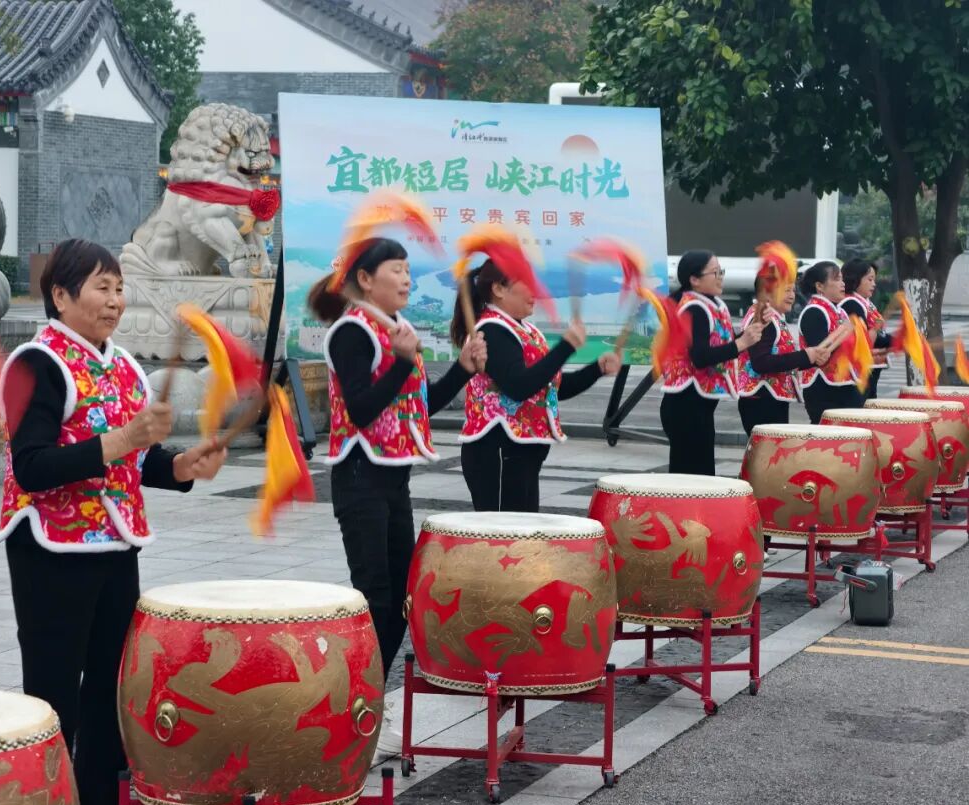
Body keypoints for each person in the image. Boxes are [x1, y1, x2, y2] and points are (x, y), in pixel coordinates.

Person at [0, 239, 227, 805]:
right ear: (60, 295)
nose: (115, 300)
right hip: (50, 549)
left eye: (120, 288)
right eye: (102, 287)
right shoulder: (36, 364)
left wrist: (181, 465)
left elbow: (137, 460)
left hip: (116, 547)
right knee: (53, 694)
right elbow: (31, 466)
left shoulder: (123, 366)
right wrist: (123, 439)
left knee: (112, 689)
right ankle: (47, 800)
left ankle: (99, 801)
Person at [308, 237, 486, 759]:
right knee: (375, 600)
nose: (407, 279)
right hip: (359, 479)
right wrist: (402, 362)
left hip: (393, 481)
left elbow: (418, 405)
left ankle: (365, 705)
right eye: (397, 270)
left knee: (400, 604)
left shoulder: (397, 329)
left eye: (409, 270)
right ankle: (355, 713)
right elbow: (362, 409)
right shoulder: (351, 332)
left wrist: (463, 368)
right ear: (366, 279)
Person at [451, 259, 621, 511]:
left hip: (522, 453)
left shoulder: (525, 330)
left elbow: (550, 388)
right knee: (504, 531)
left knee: (523, 530)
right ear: (499, 289)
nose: (536, 291)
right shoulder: (491, 331)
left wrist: (596, 369)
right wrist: (566, 346)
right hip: (497, 451)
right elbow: (519, 387)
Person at [660, 250, 765, 475]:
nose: (721, 277)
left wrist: (747, 335)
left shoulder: (710, 304)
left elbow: (720, 344)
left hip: (699, 406)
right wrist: (741, 343)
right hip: (685, 406)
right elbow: (700, 357)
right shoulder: (694, 308)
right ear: (694, 279)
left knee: (702, 475)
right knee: (691, 479)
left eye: (721, 271)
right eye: (715, 272)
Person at [737, 274, 830, 435]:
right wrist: (804, 356)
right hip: (761, 400)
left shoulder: (772, 316)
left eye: (793, 290)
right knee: (767, 450)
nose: (792, 295)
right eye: (786, 290)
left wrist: (813, 358)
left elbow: (782, 357)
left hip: (768, 399)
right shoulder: (764, 317)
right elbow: (761, 363)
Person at [797, 261, 861, 423]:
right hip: (824, 388)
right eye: (837, 279)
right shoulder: (814, 312)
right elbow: (820, 356)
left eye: (842, 279)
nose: (843, 283)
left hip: (843, 385)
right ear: (820, 286)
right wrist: (845, 336)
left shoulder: (839, 311)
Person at [840, 258, 890, 399]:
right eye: (870, 279)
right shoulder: (851, 303)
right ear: (855, 279)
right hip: (859, 371)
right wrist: (897, 341)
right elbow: (866, 339)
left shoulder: (865, 302)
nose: (874, 284)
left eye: (874, 279)